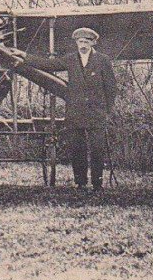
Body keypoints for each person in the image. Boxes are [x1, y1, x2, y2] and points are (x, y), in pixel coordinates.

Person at [11, 27, 118, 191]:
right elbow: (47, 65)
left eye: (86, 41)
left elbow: (111, 88)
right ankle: (80, 182)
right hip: (75, 112)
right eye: (80, 41)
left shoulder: (103, 60)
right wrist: (24, 56)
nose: (83, 44)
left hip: (97, 114)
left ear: (93, 43)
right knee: (77, 148)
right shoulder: (70, 59)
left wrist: (107, 111)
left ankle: (97, 183)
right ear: (76, 42)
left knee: (97, 149)